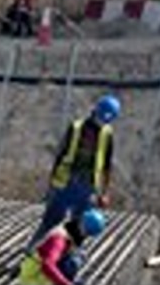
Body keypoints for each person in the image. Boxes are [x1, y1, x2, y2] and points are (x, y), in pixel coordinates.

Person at [30, 94, 120, 245]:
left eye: (105, 120)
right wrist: (51, 186)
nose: (101, 122)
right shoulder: (76, 127)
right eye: (100, 117)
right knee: (52, 219)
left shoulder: (107, 133)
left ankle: (70, 255)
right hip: (66, 181)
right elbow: (60, 156)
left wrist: (104, 192)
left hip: (88, 185)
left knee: (78, 224)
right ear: (95, 111)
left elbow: (106, 165)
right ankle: (32, 249)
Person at [18, 209, 106, 285]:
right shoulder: (59, 239)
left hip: (41, 275)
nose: (87, 236)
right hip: (33, 281)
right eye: (88, 233)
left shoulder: (70, 230)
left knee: (79, 257)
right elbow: (47, 265)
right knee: (73, 264)